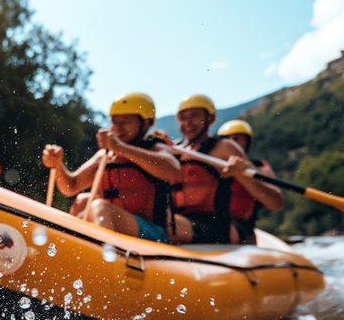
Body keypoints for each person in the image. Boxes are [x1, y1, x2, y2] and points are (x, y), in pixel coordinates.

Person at [41, 92, 181, 243]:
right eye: (114, 122)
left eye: (125, 122)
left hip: (154, 233)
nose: (117, 128)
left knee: (101, 207)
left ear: (145, 124)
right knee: (82, 201)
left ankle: (102, 260)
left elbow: (173, 171)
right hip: (115, 224)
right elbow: (70, 187)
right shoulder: (106, 155)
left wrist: (121, 148)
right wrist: (58, 164)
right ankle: (70, 249)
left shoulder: (155, 147)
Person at [153, 94, 248, 244]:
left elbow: (275, 202)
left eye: (194, 116)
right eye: (183, 118)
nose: (188, 123)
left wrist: (242, 174)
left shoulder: (225, 147)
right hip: (181, 223)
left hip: (215, 226)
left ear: (210, 119)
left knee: (161, 221)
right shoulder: (174, 149)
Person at [216, 119, 284, 243]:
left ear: (247, 142)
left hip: (242, 229)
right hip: (214, 223)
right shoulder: (212, 166)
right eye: (226, 139)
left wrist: (245, 172)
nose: (231, 143)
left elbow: (276, 203)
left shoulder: (259, 168)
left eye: (237, 138)